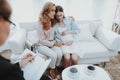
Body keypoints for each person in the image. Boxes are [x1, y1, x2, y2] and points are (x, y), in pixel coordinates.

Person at [0, 0, 51, 80]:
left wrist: (22, 62)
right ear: (1, 21)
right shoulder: (8, 71)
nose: (9, 29)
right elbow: (9, 71)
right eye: (10, 23)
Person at [36, 2, 63, 79]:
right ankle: (52, 69)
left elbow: (62, 18)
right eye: (52, 11)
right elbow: (41, 40)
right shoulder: (40, 23)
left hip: (52, 42)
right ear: (46, 11)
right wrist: (54, 44)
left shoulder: (53, 21)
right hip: (42, 45)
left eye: (54, 10)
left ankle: (55, 67)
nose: (54, 13)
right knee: (54, 55)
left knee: (60, 54)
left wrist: (70, 18)